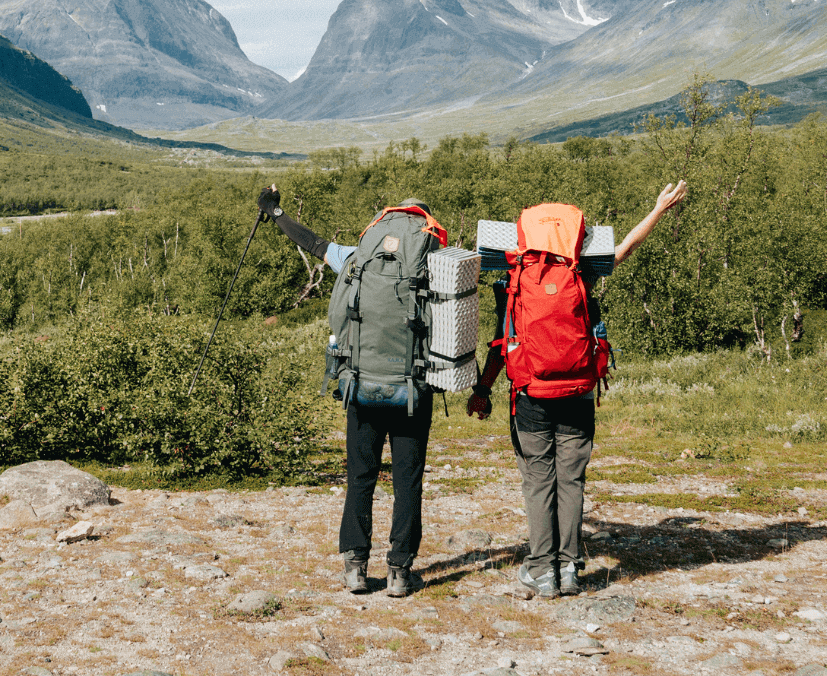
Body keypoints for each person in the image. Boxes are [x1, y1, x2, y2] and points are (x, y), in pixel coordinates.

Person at [467, 181, 688, 598]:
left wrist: (482, 389)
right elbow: (625, 248)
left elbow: (501, 345)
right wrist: (657, 209)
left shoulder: (513, 276)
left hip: (531, 394)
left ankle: (541, 570)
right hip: (579, 391)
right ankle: (569, 570)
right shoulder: (582, 270)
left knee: (538, 481)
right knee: (571, 480)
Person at [258, 185, 432, 597]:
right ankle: (399, 572)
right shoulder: (433, 264)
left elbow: (313, 243)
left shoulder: (357, 259)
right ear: (425, 228)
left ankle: (355, 567)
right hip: (411, 391)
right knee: (408, 481)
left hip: (361, 386)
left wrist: (275, 211)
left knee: (361, 476)